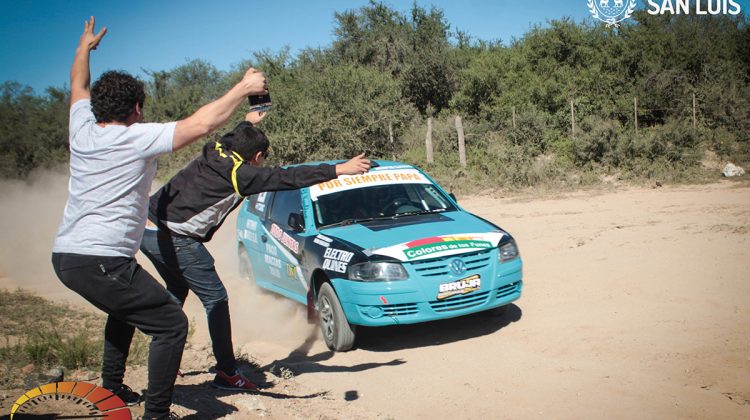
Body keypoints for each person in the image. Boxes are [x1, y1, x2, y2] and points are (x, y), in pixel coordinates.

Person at [51, 17, 268, 420]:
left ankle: (113, 386)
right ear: (137, 108)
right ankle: (156, 414)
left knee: (126, 310)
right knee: (170, 324)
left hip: (67, 255)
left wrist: (83, 48)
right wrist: (243, 88)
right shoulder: (137, 137)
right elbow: (203, 124)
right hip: (102, 259)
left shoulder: (81, 129)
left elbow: (78, 85)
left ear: (99, 107)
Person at [139, 111, 370, 391]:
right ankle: (226, 371)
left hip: (146, 228)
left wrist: (248, 123)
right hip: (175, 237)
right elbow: (288, 177)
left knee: (176, 290)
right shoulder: (242, 175)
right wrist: (338, 170)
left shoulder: (217, 148)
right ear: (257, 157)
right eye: (262, 159)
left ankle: (166, 362)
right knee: (216, 299)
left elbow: (233, 135)